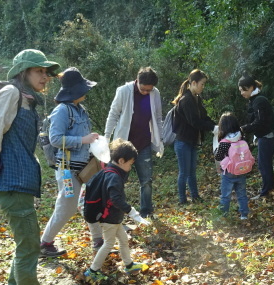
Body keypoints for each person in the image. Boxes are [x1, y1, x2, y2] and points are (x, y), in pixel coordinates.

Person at [0, 49, 65, 285]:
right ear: (23, 72)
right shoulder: (11, 94)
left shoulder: (25, 99)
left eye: (46, 72)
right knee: (29, 246)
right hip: (10, 183)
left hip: (18, 182)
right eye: (39, 71)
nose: (45, 77)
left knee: (24, 244)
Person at [39, 68, 104, 257]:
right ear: (75, 90)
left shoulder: (81, 110)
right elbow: (56, 139)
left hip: (84, 167)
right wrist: (83, 140)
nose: (86, 91)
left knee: (91, 202)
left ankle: (98, 240)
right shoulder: (61, 111)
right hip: (67, 170)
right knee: (66, 207)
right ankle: (45, 243)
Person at [83, 139, 151, 281]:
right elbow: (115, 199)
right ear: (121, 161)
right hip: (109, 218)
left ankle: (129, 264)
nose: (131, 167)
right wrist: (131, 211)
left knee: (123, 239)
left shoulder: (109, 170)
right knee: (108, 244)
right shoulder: (114, 176)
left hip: (114, 217)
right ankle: (93, 270)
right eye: (130, 163)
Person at [104, 67, 165, 218]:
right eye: (143, 89)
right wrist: (107, 136)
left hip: (144, 143)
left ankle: (146, 211)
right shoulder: (124, 91)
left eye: (148, 90)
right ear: (137, 81)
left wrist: (160, 139)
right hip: (123, 145)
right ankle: (115, 212)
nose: (145, 92)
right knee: (117, 181)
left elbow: (158, 117)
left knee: (146, 180)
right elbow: (113, 114)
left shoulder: (155, 93)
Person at [172, 69, 216, 205]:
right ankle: (182, 200)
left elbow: (204, 117)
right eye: (202, 84)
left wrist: (217, 125)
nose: (203, 87)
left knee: (191, 172)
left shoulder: (196, 98)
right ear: (194, 83)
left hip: (191, 142)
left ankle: (195, 197)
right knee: (184, 172)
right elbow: (195, 122)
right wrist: (212, 128)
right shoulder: (186, 100)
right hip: (183, 142)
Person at [238, 74, 274, 199]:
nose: (242, 93)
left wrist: (244, 128)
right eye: (240, 90)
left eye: (244, 89)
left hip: (266, 137)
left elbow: (260, 122)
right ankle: (270, 188)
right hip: (263, 136)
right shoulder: (255, 100)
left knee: (264, 164)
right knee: (265, 164)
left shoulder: (259, 101)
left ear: (251, 87)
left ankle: (266, 192)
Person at [213, 112, 251, 220]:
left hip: (228, 173)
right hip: (242, 170)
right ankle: (244, 215)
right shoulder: (241, 137)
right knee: (242, 194)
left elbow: (219, 156)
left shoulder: (225, 142)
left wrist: (216, 151)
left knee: (226, 195)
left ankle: (223, 215)